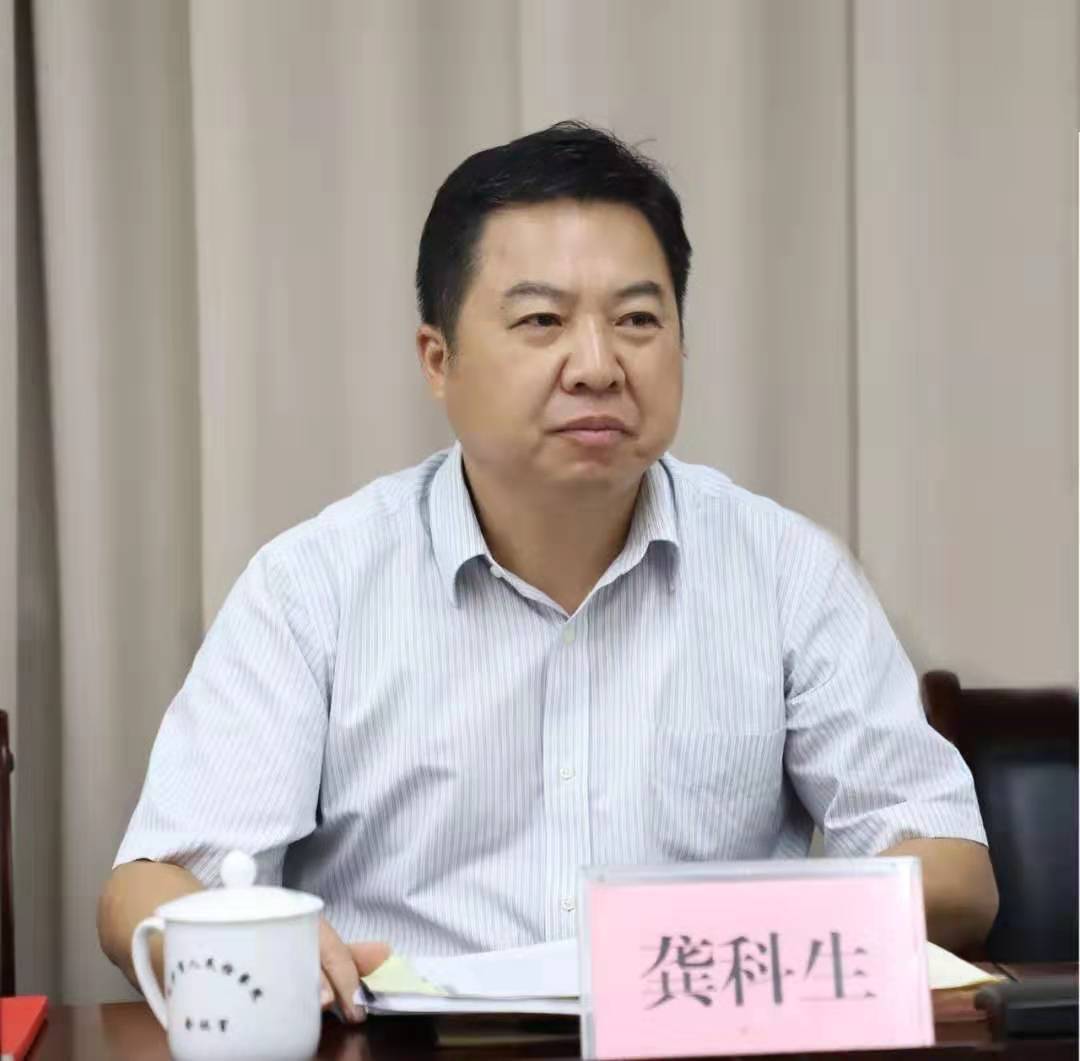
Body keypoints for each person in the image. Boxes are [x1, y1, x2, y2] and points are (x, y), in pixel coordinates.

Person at [99, 121, 998, 1021]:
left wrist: (729, 942)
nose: (598, 366)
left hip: (701, 1034)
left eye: (638, 320)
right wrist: (265, 947)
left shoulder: (786, 572)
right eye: (542, 321)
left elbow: (953, 869)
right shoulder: (315, 586)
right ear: (439, 361)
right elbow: (148, 888)